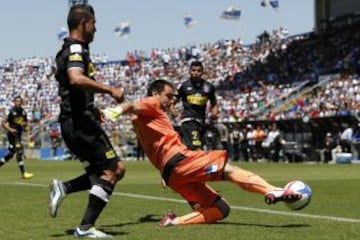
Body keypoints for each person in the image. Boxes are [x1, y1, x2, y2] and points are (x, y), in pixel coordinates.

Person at [103, 79, 301, 227]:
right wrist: (115, 110)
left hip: (171, 174)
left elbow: (152, 147)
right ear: (156, 93)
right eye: (169, 96)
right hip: (181, 161)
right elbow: (130, 105)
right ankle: (272, 190)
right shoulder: (152, 103)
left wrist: (163, 173)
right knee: (228, 169)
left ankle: (175, 222)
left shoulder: (140, 123)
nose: (172, 101)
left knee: (222, 209)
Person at [48, 4, 125, 238]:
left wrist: (92, 107)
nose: (95, 29)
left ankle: (64, 188)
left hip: (77, 120)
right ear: (83, 23)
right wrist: (109, 89)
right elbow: (75, 78)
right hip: (80, 123)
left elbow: (68, 84)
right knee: (115, 168)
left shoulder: (67, 50)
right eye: (94, 24)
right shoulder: (76, 49)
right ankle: (84, 228)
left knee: (100, 170)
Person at [175, 61, 219, 150]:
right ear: (189, 71)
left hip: (201, 121)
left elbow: (214, 103)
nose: (196, 73)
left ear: (202, 72)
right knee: (195, 146)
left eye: (198, 71)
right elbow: (173, 101)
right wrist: (174, 112)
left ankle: (187, 162)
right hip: (188, 120)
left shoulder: (208, 87)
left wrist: (214, 112)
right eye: (193, 70)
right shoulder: (184, 86)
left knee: (196, 148)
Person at [0, 96, 34, 179]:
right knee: (19, 151)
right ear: (14, 102)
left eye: (19, 101)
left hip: (18, 134)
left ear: (21, 102)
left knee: (11, 155)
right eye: (16, 101)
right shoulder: (11, 111)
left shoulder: (23, 112)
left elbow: (25, 122)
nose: (18, 102)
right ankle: (23, 173)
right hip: (12, 135)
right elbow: (3, 123)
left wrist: (25, 125)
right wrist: (10, 129)